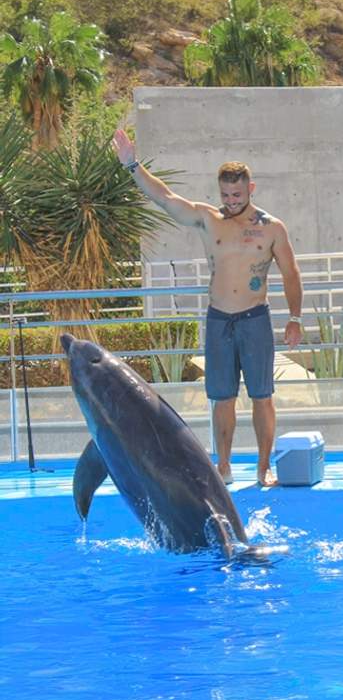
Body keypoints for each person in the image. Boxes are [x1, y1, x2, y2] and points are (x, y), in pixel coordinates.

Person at [112, 128, 303, 487]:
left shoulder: (272, 228)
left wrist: (294, 318)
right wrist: (132, 165)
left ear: (251, 189)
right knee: (222, 397)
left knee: (262, 396)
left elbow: (291, 273)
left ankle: (264, 468)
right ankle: (224, 466)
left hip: (254, 319)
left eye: (237, 194)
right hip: (219, 320)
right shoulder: (207, 218)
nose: (231, 201)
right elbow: (165, 197)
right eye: (226, 194)